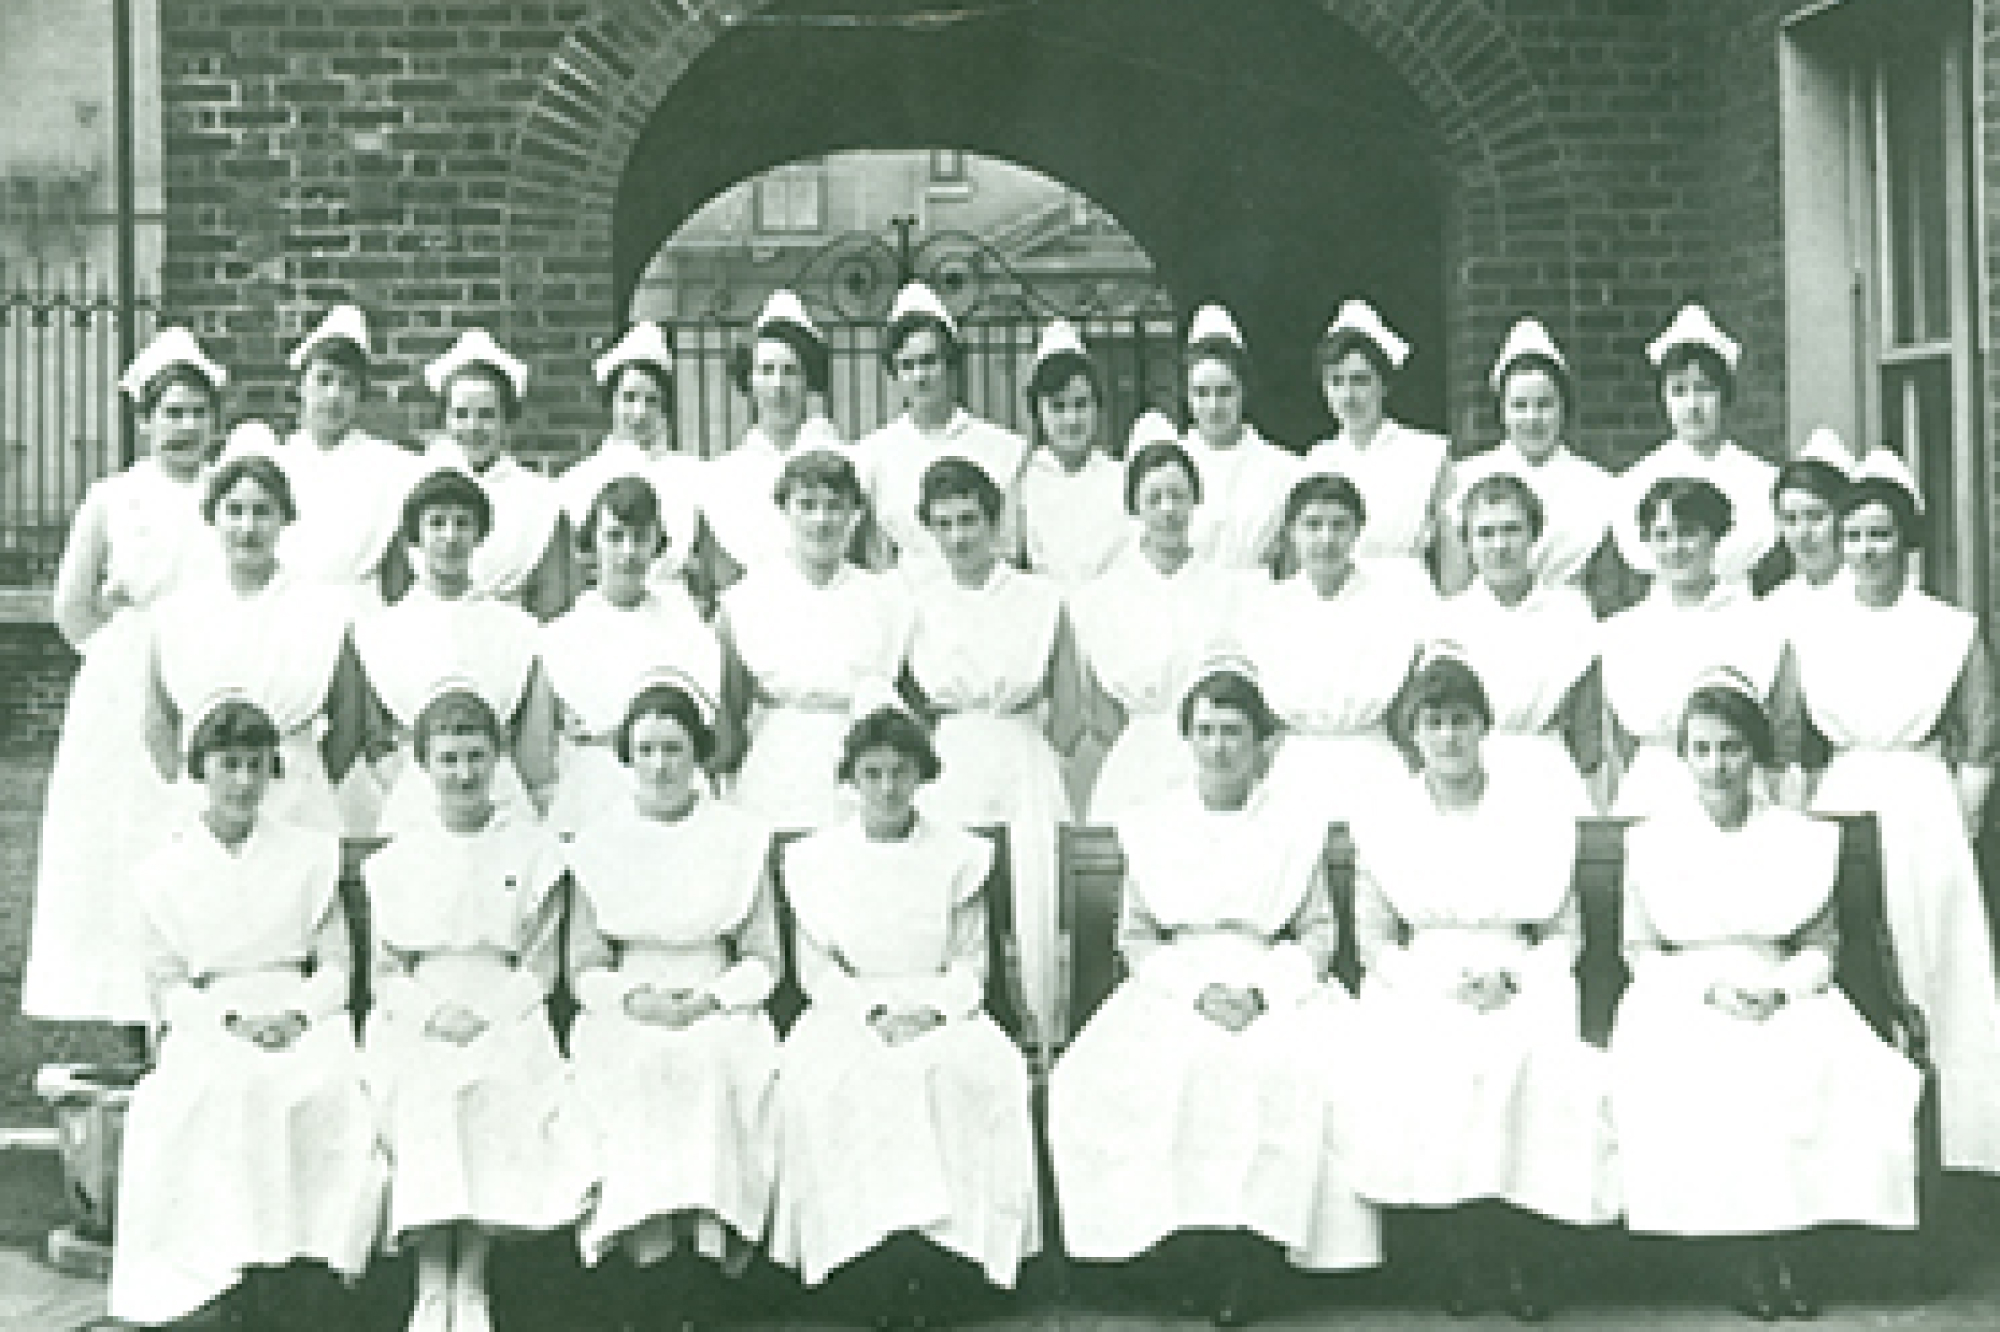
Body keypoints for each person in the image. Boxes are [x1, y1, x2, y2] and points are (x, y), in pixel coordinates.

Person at [1049, 663, 1381, 1324]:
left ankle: (1252, 1257)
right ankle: (1176, 1253)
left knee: (1287, 1067)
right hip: (1178, 979)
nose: (1219, 746)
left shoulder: (1295, 825)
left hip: (1271, 977)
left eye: (1234, 731)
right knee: (1116, 1073)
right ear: (1187, 739)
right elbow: (1137, 939)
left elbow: (1317, 934)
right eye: (1205, 730)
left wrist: (1264, 993)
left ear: (1261, 743)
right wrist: (1194, 992)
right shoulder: (1154, 825)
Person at [1614, 670, 1920, 1318]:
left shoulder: (1798, 839)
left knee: (1810, 1065)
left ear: (1753, 753)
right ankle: (1748, 1257)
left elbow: (1821, 946)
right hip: (1684, 992)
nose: (1717, 765)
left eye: (1731, 748)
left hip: (1780, 985)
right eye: (1702, 749)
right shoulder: (1653, 841)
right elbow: (1640, 952)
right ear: (1683, 755)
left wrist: (1778, 993)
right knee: (1716, 1070)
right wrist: (1710, 991)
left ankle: (1789, 1250)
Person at [1346, 648, 1614, 1320]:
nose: (1448, 737)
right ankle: (1464, 1254)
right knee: (1438, 1061)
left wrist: (1514, 979)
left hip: (1521, 973)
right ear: (1413, 732)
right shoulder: (1385, 820)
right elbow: (1375, 941)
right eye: (1433, 721)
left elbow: (1564, 933)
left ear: (1484, 726)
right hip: (1422, 977)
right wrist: (1437, 984)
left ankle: (1520, 1252)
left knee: (1532, 1060)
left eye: (1461, 720)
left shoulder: (1534, 813)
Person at [108, 695, 385, 1329]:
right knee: (216, 1090)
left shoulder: (309, 855)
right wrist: (230, 1024)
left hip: (301, 1010)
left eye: (256, 766)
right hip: (213, 1016)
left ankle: (304, 1269)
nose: (242, 781)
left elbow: (338, 967)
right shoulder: (164, 871)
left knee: (323, 1086)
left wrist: (296, 1015)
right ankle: (228, 1272)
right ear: (201, 770)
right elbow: (166, 984)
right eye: (229, 764)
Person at [769, 706, 1040, 1316]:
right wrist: (873, 1015)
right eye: (872, 773)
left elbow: (973, 965)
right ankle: (870, 1266)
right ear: (852, 778)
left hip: (941, 1006)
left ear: (923, 774)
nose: (888, 788)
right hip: (850, 1008)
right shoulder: (818, 861)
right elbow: (817, 972)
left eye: (901, 771)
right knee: (838, 1076)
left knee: (977, 1072)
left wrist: (931, 1013)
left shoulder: (959, 856)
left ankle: (945, 1264)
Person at [1775, 450, 2000, 1174]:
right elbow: (1793, 741)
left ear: (1907, 544)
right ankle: (1855, 1157)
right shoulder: (1809, 631)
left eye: (1880, 535)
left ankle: (1956, 1151)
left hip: (1923, 805)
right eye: (1854, 537)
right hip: (1842, 801)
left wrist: (1958, 820)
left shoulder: (1949, 629)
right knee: (1852, 967)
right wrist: (1798, 822)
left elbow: (1979, 736)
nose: (1866, 551)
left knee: (1934, 960)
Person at [362, 686, 592, 1332]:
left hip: (506, 1009)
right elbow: (386, 972)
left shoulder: (533, 849)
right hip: (419, 1010)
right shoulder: (398, 859)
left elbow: (540, 965)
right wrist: (432, 1014)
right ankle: (431, 1280)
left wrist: (487, 1014)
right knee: (425, 1086)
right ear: (424, 766)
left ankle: (473, 1279)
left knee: (494, 1083)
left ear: (496, 759)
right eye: (448, 759)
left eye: (475, 756)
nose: (463, 773)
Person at [23, 327, 226, 1025]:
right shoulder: (113, 497)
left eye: (197, 411)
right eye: (170, 412)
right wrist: (118, 660)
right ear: (144, 421)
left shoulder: (228, 493)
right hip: (125, 677)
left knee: (197, 822)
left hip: (205, 664)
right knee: (123, 835)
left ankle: (203, 993)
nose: (184, 426)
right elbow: (71, 605)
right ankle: (127, 1003)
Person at [566, 676, 780, 1321]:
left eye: (674, 749)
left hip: (719, 998)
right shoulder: (598, 841)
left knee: (712, 1064)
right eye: (646, 749)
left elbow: (764, 955)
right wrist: (635, 999)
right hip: (629, 1001)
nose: (660, 765)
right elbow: (584, 962)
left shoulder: (739, 837)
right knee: (636, 1066)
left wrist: (712, 1000)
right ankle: (650, 1255)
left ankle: (707, 1255)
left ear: (699, 756)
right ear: (628, 757)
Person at [903, 456, 1085, 1048]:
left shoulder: (1040, 598)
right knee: (955, 900)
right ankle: (962, 1029)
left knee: (1028, 901)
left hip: (1020, 759)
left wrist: (1033, 752)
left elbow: (1069, 708)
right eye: (944, 524)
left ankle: (1038, 1035)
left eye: (970, 521)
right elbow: (906, 699)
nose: (958, 537)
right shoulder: (917, 603)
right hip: (949, 762)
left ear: (995, 522)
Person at [144, 453, 367, 835]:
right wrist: (194, 782)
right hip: (204, 800)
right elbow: (159, 720)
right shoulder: (177, 613)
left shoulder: (321, 611)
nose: (248, 527)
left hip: (296, 797)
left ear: (285, 518)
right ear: (214, 517)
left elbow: (349, 717)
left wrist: (306, 781)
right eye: (234, 511)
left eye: (262, 512)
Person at [351, 466, 555, 833]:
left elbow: (534, 742)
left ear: (479, 534)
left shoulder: (517, 628)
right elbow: (373, 737)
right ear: (416, 534)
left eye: (463, 523)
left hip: (500, 796)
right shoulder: (379, 631)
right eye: (437, 523)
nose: (450, 536)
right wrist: (414, 786)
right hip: (414, 798)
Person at [716, 448, 913, 828]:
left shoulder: (888, 600)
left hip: (865, 775)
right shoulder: (747, 600)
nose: (821, 520)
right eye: (806, 505)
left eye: (834, 506)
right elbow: (730, 711)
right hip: (777, 774)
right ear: (784, 511)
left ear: (855, 515)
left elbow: (907, 703)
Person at [1232, 472, 1432, 822]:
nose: (1326, 539)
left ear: (1358, 531)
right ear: (1291, 532)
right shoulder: (1266, 609)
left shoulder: (1393, 605)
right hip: (1295, 765)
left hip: (1373, 762)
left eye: (1339, 525)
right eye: (1313, 525)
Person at [1069, 427, 1246, 820]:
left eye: (1179, 496)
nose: (1168, 510)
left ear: (1196, 501)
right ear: (1134, 507)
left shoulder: (1231, 591)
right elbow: (1098, 711)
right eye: (1154, 498)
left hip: (1214, 759)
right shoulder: (1101, 599)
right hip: (1137, 765)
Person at [540, 475, 727, 839]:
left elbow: (701, 719)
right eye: (614, 536)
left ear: (657, 542)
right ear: (591, 542)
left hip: (672, 788)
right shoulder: (561, 636)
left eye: (641, 538)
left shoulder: (686, 628)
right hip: (593, 789)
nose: (628, 552)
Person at [1600, 477, 1782, 816]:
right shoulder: (1622, 631)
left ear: (1714, 536)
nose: (1675, 548)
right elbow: (1619, 745)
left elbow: (1778, 728)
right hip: (1653, 790)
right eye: (1662, 535)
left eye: (1688, 532)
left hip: (1733, 789)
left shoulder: (1756, 622)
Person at [221, 303, 417, 614]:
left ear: (360, 392)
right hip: (284, 611)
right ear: (300, 385)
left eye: (347, 383)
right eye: (323, 379)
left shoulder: (391, 467)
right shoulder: (274, 462)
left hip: (359, 615)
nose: (334, 395)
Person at [1433, 472, 1603, 812]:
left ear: (1533, 535)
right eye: (1485, 533)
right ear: (1467, 543)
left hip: (1549, 772)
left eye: (1512, 529)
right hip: (1472, 776)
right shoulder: (1447, 620)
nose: (1500, 546)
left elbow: (1587, 722)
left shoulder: (1570, 611)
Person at [1439, 317, 1623, 612]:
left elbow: (1608, 591)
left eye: (1544, 404)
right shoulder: (1465, 478)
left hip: (1568, 621)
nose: (1533, 419)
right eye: (1519, 405)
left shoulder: (1598, 485)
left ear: (1564, 407)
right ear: (1501, 410)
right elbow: (1454, 586)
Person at [855, 281, 1028, 578]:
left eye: (929, 361)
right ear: (895, 375)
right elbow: (873, 558)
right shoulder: (871, 455)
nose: (919, 376)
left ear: (951, 365)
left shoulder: (1003, 450)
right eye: (907, 365)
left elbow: (1011, 551)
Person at [1609, 304, 1779, 590]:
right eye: (1678, 390)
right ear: (1663, 398)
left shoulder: (1762, 479)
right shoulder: (1636, 481)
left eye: (1704, 388)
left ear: (1725, 395)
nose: (1692, 405)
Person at [701, 290, 847, 589]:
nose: (778, 386)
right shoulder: (726, 476)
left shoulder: (843, 460)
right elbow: (722, 578)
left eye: (790, 371)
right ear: (750, 380)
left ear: (808, 381)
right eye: (766, 371)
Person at [423, 328, 573, 620]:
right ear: (445, 418)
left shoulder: (538, 499)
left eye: (487, 414)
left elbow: (552, 601)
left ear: (507, 419)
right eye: (461, 414)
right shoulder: (417, 486)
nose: (474, 427)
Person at [1305, 298, 1453, 577]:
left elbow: (1451, 554)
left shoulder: (1427, 454)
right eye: (1336, 381)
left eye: (1360, 380)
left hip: (1406, 599)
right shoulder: (1317, 460)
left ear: (1384, 384)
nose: (1348, 396)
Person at [561, 319, 706, 602]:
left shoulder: (691, 475)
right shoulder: (578, 481)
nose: (640, 413)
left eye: (651, 400)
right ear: (610, 401)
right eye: (628, 398)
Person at [1176, 303, 1299, 570]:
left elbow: (1293, 566)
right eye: (1201, 392)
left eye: (1224, 391)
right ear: (1187, 396)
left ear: (1244, 390)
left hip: (1258, 603)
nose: (1213, 406)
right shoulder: (1170, 465)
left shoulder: (1283, 468)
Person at [1015, 318, 1129, 586]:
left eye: (1080, 405)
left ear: (1097, 406)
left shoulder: (1120, 478)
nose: (1071, 420)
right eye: (1058, 407)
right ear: (1037, 412)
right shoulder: (1023, 484)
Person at [1760, 426, 1855, 620]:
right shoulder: (1775, 607)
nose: (1803, 533)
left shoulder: (1878, 599)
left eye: (1816, 516)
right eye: (1790, 519)